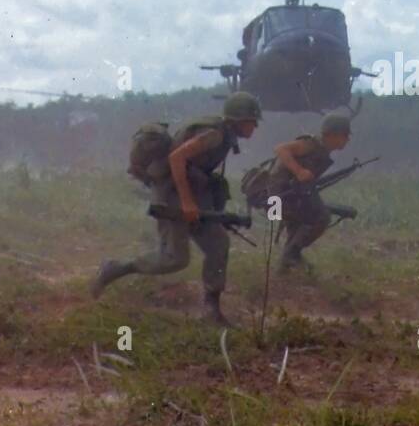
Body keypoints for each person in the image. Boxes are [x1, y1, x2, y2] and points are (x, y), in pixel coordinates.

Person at [90, 91, 262, 326]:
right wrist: (187, 202)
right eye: (253, 121)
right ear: (240, 119)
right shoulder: (214, 135)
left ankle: (211, 309)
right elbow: (177, 158)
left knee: (218, 244)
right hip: (172, 194)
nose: (255, 127)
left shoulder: (222, 133)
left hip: (190, 192)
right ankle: (115, 268)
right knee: (174, 259)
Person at [269, 112, 351, 274]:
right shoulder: (311, 144)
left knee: (298, 227)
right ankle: (290, 256)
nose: (348, 139)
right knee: (321, 217)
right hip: (279, 196)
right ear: (332, 135)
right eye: (345, 135)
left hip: (289, 195)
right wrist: (299, 171)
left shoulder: (322, 150)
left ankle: (284, 269)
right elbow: (280, 149)